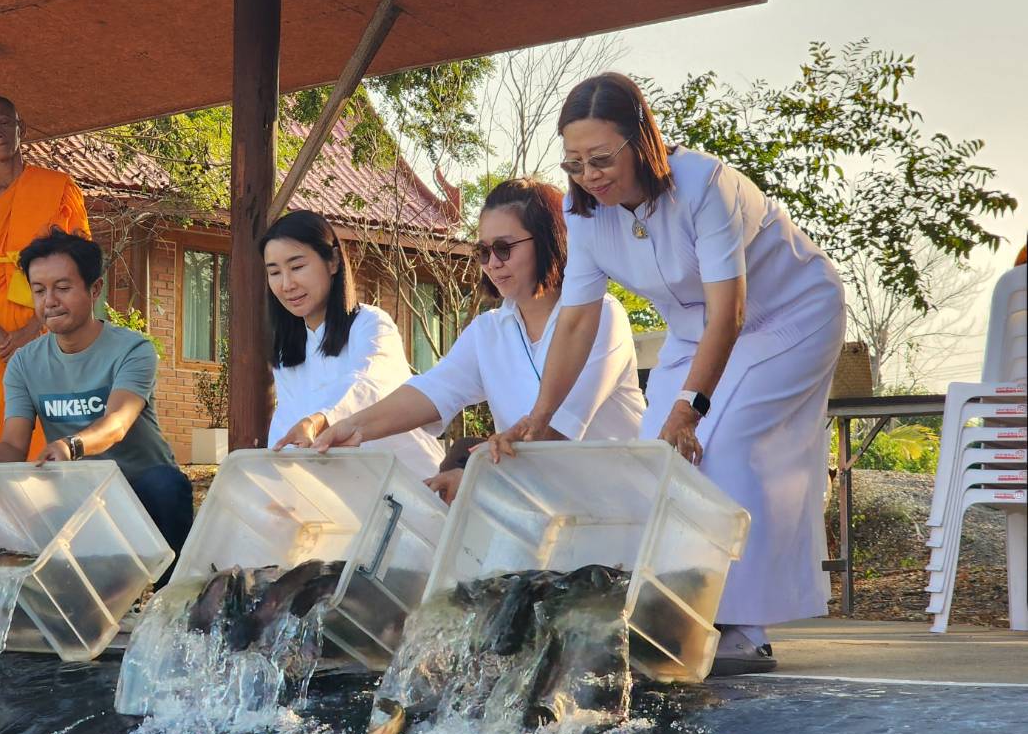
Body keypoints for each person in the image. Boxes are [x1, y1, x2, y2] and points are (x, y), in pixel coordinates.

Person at [501, 72, 846, 676]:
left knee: (724, 442)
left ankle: (741, 628)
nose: (590, 176)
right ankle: (678, 612)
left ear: (641, 141)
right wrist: (540, 414)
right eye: (576, 163)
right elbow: (576, 322)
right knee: (657, 457)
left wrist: (691, 406)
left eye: (603, 159)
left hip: (789, 314)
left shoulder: (704, 184)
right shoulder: (586, 216)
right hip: (696, 331)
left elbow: (730, 310)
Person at [314, 178, 644, 502]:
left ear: (548, 240)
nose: (493, 264)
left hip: (625, 516)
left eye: (504, 248)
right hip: (542, 513)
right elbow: (433, 390)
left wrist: (474, 481)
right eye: (483, 252)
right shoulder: (489, 330)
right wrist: (351, 427)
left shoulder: (602, 316)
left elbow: (554, 432)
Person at [0, 229, 194, 563]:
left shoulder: (133, 349)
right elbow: (13, 444)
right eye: (39, 290)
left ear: (94, 290)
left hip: (140, 487)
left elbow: (117, 423)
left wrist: (69, 446)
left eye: (62, 288)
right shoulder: (24, 362)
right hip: (75, 491)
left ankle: (172, 598)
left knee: (167, 487)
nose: (49, 300)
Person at [0, 95, 91, 490]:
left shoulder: (55, 188)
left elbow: (80, 265)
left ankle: (45, 532)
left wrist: (32, 331)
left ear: (20, 129)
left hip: (46, 333)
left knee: (44, 440)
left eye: (4, 123)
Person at [261, 210, 442, 477]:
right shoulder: (286, 350)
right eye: (274, 272)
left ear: (333, 261)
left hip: (413, 487)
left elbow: (367, 385)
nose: (286, 284)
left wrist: (320, 419)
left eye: (297, 267)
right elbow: (286, 423)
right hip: (346, 497)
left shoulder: (371, 324)